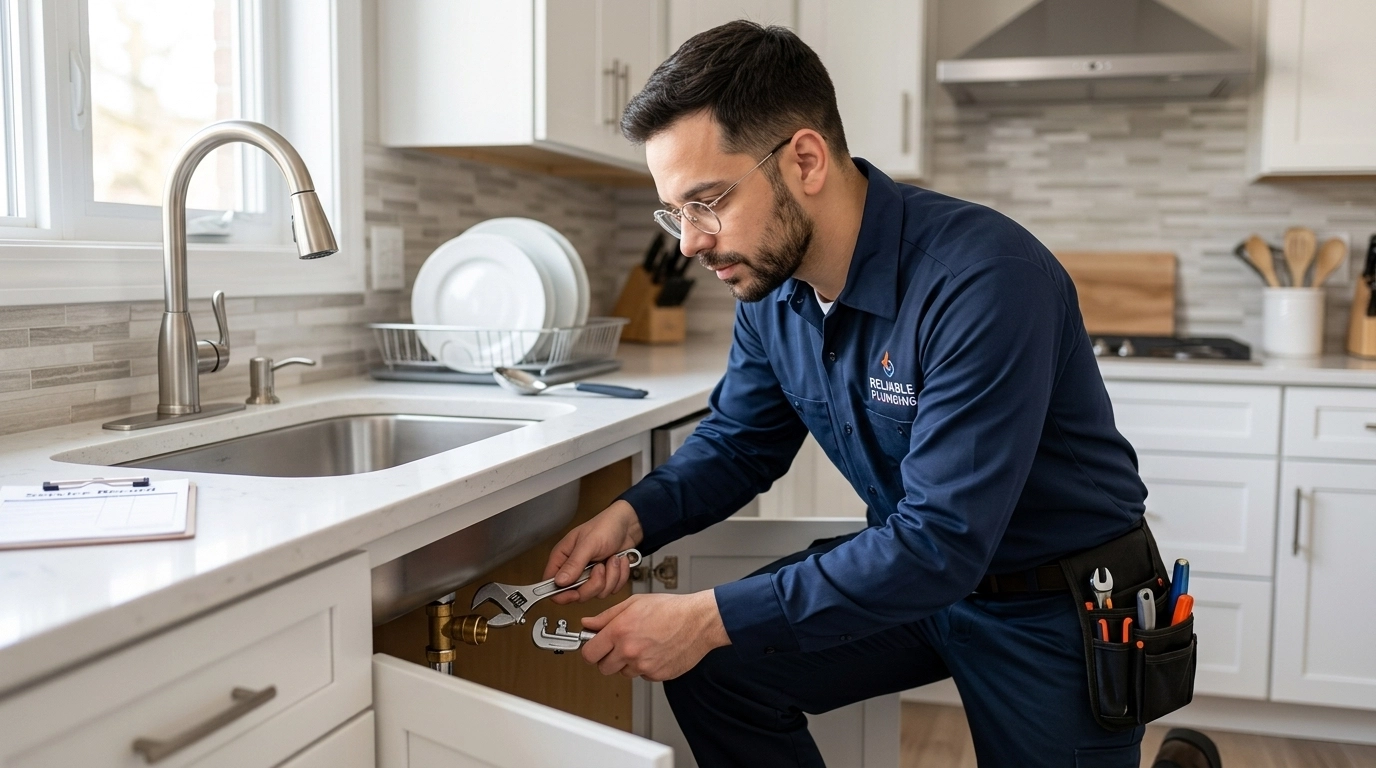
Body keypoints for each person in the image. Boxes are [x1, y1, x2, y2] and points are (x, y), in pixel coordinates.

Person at [541, 20, 1159, 767]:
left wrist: (706, 615)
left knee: (710, 635)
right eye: (675, 213)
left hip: (1054, 602)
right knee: (714, 666)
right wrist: (632, 517)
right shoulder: (770, 292)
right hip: (916, 583)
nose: (690, 243)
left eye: (706, 202)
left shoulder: (984, 280)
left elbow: (939, 541)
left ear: (804, 159)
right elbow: (740, 443)